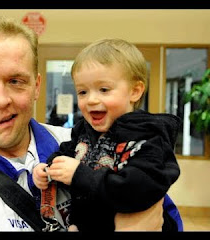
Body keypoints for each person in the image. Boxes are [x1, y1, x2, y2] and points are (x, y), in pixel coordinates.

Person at [0, 17, 168, 232]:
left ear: (36, 86)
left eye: (16, 81)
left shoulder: (85, 144)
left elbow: (166, 215)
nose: (2, 100)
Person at [33, 38, 183, 232]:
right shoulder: (84, 131)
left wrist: (80, 175)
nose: (92, 100)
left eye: (104, 89)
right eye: (82, 92)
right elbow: (66, 154)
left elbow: (140, 189)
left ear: (135, 91)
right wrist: (48, 170)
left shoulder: (149, 137)